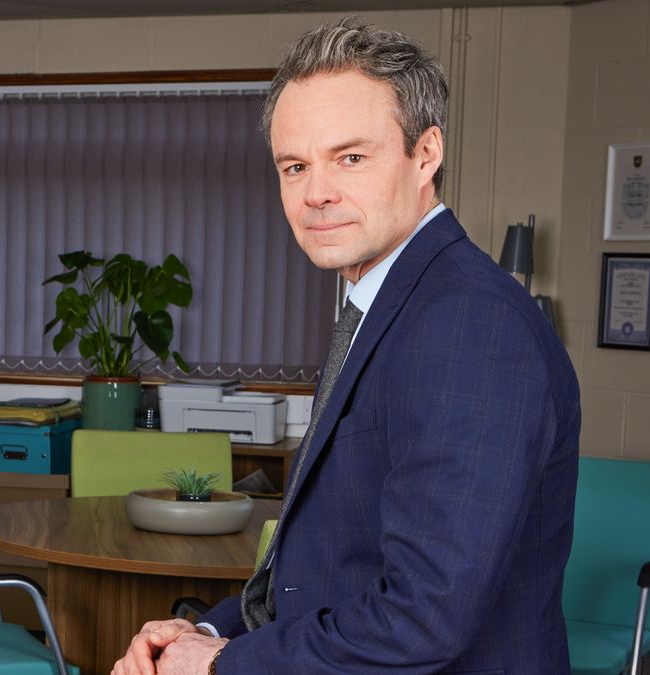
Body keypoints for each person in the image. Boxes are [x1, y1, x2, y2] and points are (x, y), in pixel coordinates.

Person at [114, 16, 580, 675]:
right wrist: (201, 631)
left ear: (427, 154)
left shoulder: (470, 322)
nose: (317, 192)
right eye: (295, 165)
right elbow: (334, 564)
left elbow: (422, 615)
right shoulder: (386, 301)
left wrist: (223, 661)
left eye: (350, 157)